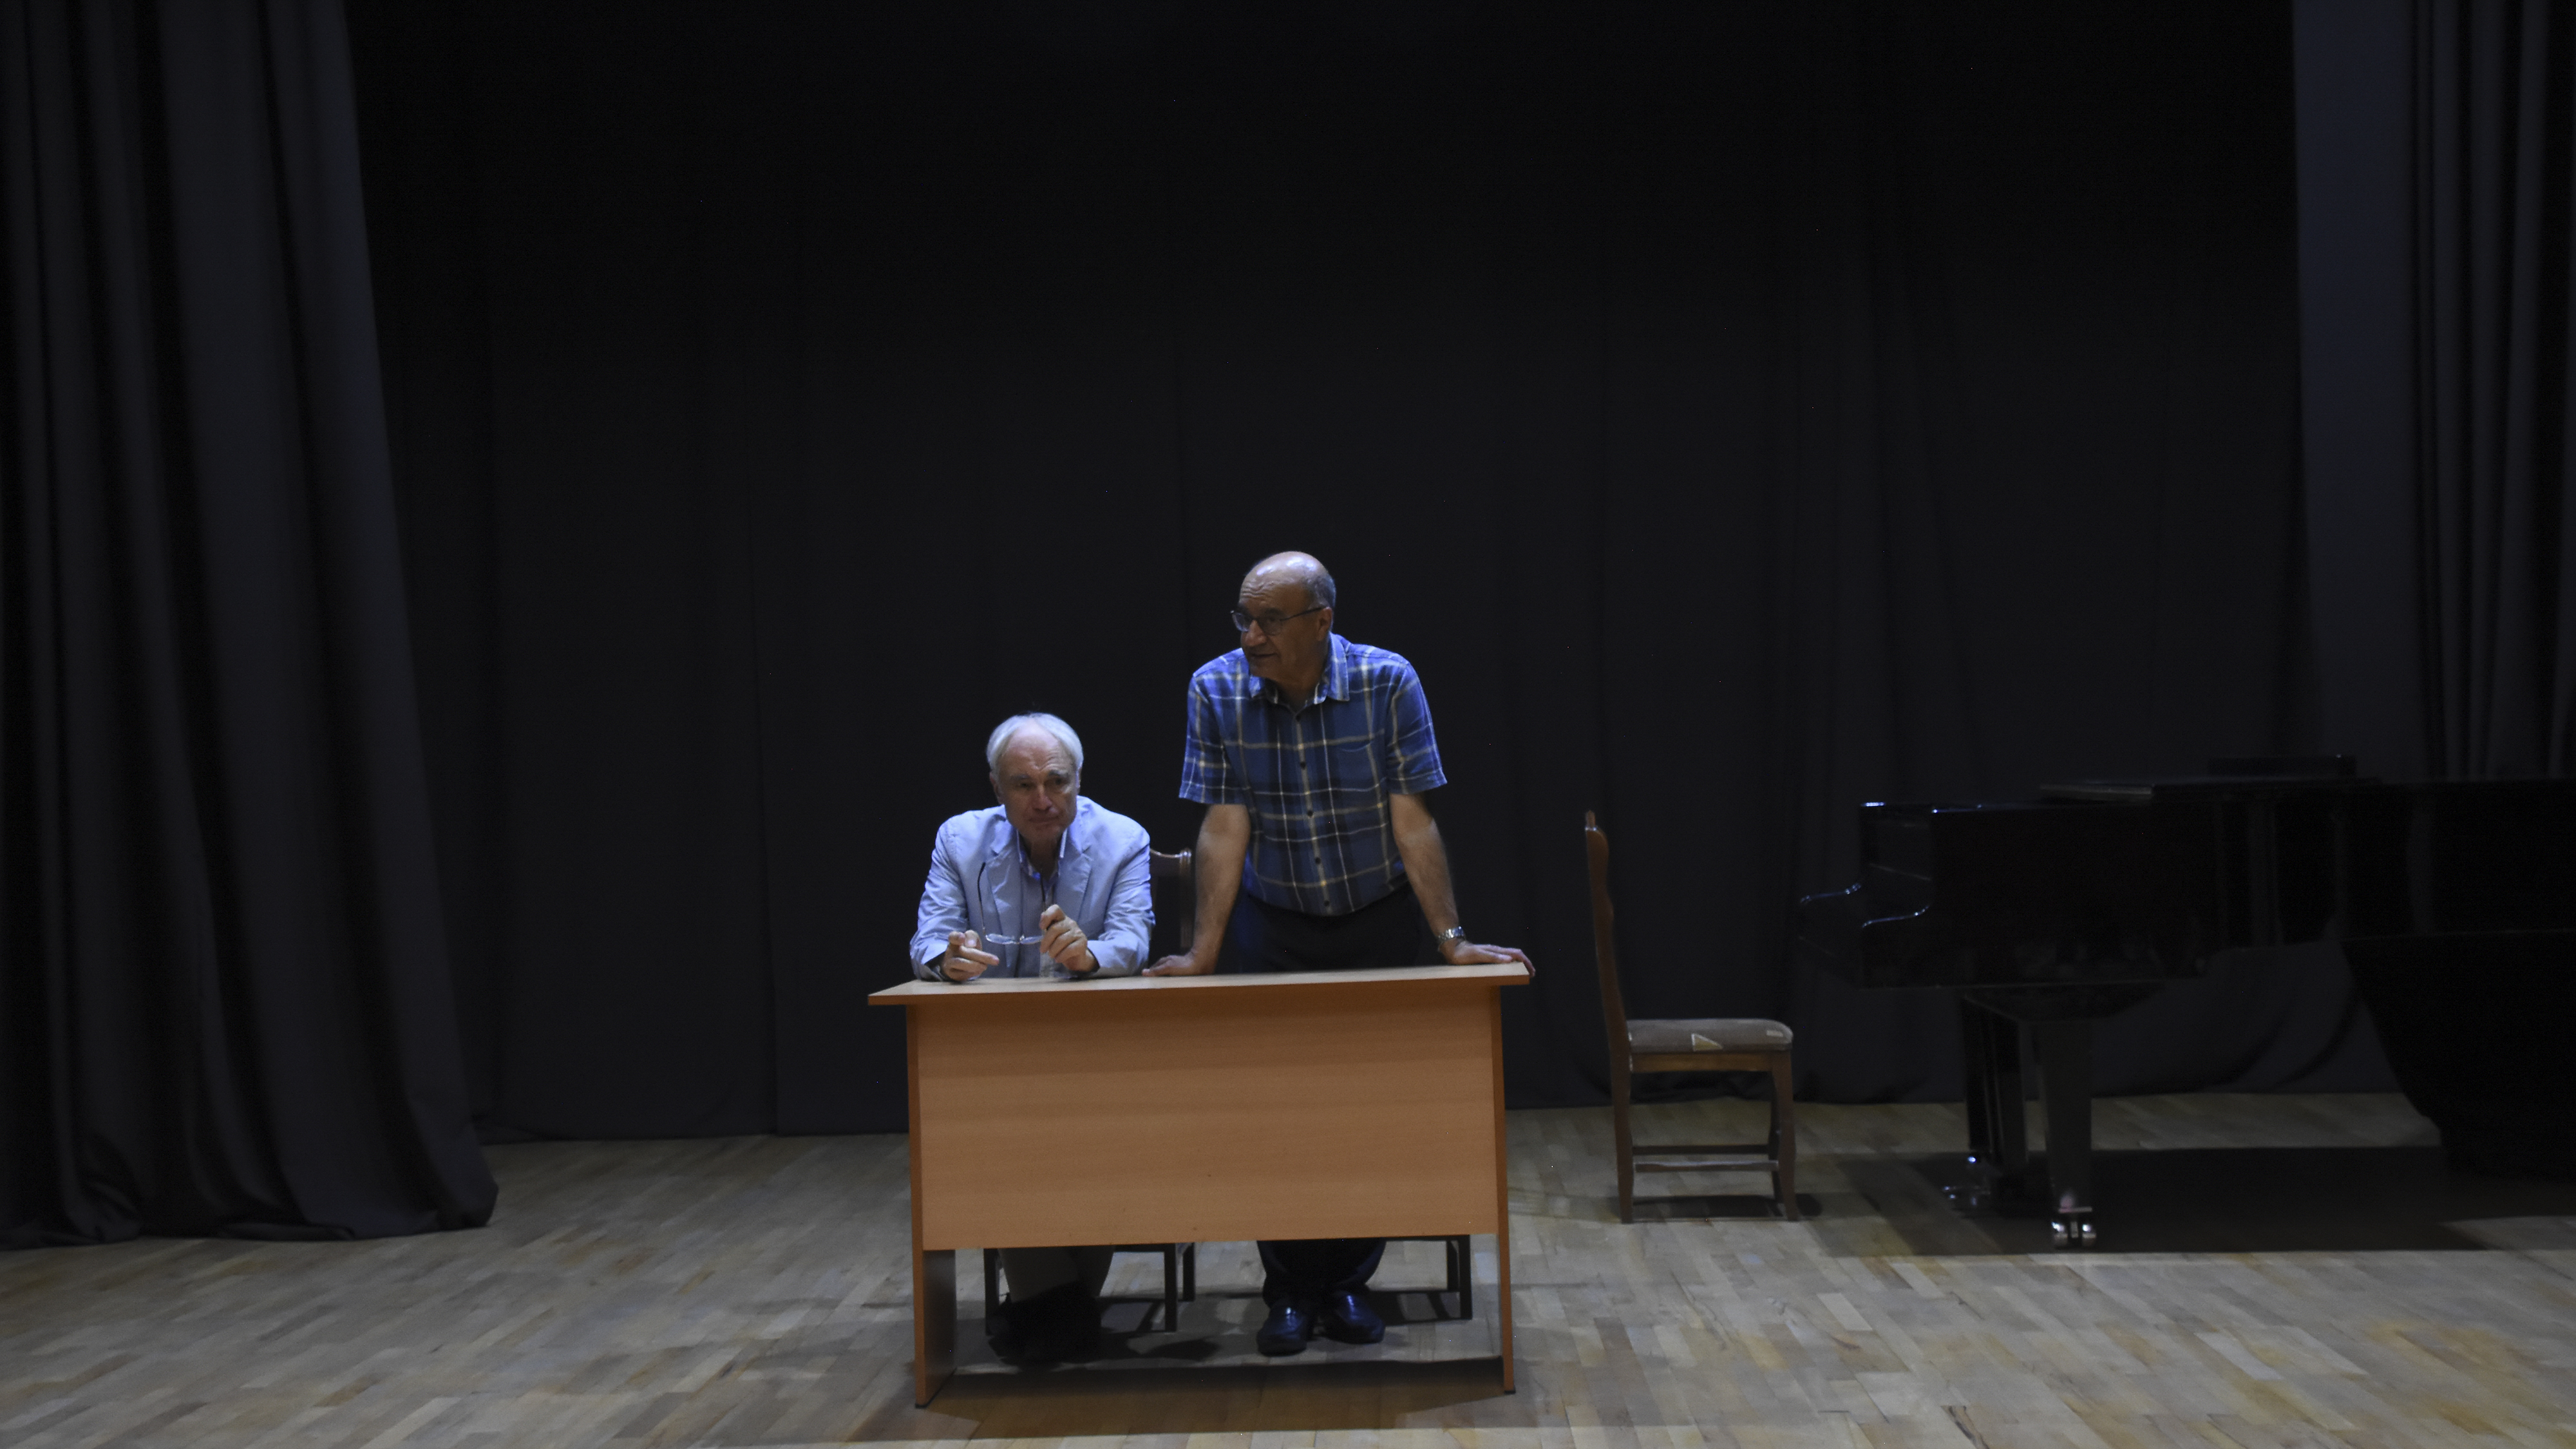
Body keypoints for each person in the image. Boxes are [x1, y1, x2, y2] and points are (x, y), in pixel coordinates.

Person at [1144, 551, 1529, 1358]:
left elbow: (1410, 818)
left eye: (1269, 621)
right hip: (1273, 920)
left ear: (1321, 622)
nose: (1251, 636)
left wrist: (1451, 941)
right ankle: (1288, 1291)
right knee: (1273, 1117)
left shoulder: (1387, 682)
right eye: (1244, 619)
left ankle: (1349, 1284)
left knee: (1367, 1110)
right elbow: (1224, 823)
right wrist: (1202, 953)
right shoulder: (1215, 688)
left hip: (1375, 915)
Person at [909, 711, 1153, 1360]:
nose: (1043, 800)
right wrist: (947, 960)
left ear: (1079, 781)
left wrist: (1089, 955)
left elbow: (1133, 940)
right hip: (995, 1058)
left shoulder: (1123, 838)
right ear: (997, 788)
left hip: (1096, 1053)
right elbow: (927, 939)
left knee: (1099, 1133)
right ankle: (1062, 1312)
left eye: (1057, 781)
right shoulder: (960, 840)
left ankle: (1048, 1312)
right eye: (1023, 785)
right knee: (998, 1126)